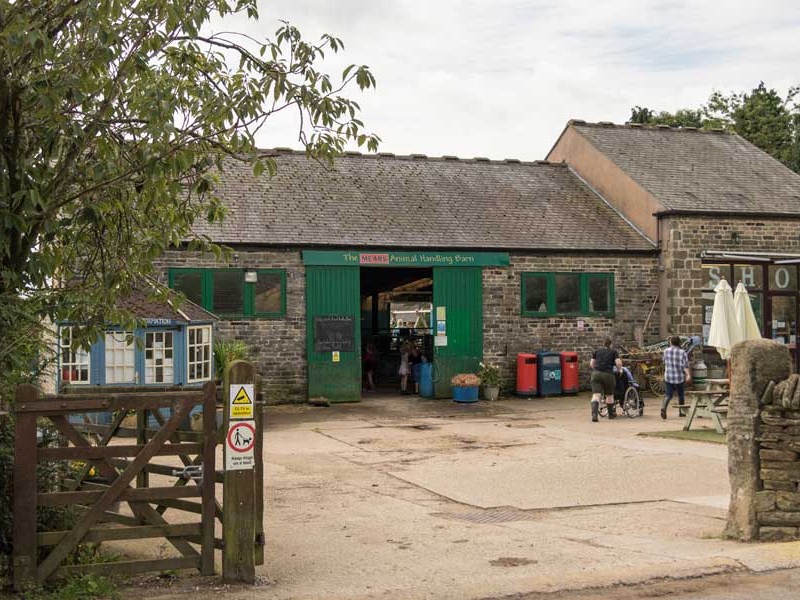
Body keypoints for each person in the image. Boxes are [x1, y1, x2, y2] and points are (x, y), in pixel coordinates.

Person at [590, 337, 623, 422]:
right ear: (611, 344)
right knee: (609, 395)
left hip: (596, 374)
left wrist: (596, 369)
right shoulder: (613, 352)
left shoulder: (596, 351)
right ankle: (611, 415)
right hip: (608, 375)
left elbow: (592, 364)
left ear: (603, 344)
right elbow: (618, 363)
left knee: (596, 395)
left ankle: (594, 415)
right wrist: (620, 370)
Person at [661, 335, 690, 419]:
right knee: (681, 395)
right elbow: (685, 366)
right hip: (679, 377)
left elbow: (664, 362)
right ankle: (682, 412)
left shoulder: (666, 351)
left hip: (668, 376)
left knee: (668, 395)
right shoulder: (682, 352)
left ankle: (663, 408)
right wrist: (688, 375)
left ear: (671, 342)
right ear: (679, 342)